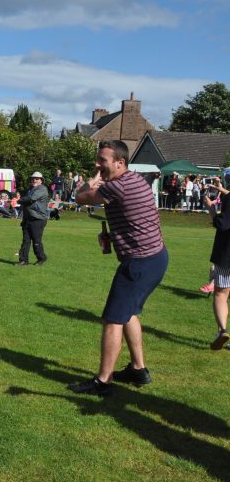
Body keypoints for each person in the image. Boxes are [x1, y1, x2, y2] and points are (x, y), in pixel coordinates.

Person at [68, 140, 168, 396]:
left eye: (102, 160)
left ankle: (103, 381)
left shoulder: (117, 186)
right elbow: (136, 220)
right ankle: (138, 369)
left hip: (140, 263)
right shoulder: (135, 180)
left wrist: (88, 184)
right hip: (155, 259)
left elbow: (81, 198)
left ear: (120, 163)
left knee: (112, 320)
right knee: (129, 313)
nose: (97, 164)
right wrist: (114, 237)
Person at [204, 177, 230, 349]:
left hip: (227, 252)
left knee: (221, 294)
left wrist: (212, 208)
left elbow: (223, 224)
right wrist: (222, 190)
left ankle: (222, 330)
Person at [16, 171, 49, 266]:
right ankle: (23, 260)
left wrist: (19, 200)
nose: (34, 180)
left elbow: (31, 199)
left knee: (36, 241)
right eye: (33, 178)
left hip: (38, 219)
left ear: (41, 181)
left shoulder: (42, 189)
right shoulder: (30, 189)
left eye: (37, 179)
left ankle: (41, 258)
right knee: (25, 240)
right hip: (28, 219)